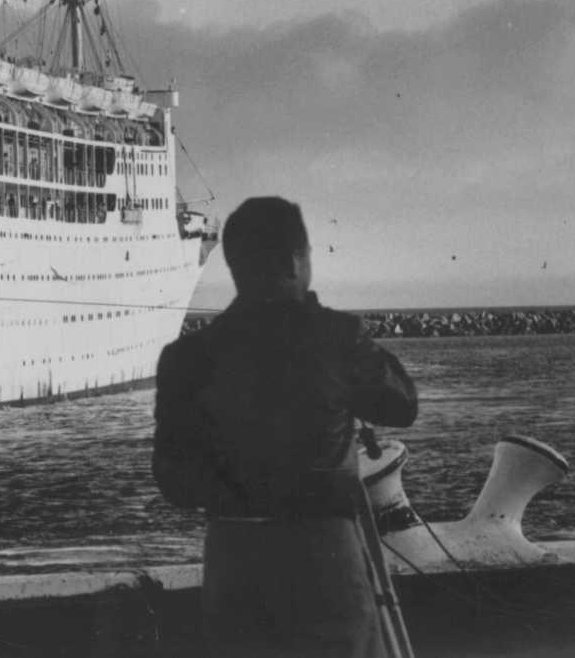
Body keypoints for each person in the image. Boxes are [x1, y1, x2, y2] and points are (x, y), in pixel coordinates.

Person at [152, 196, 418, 657]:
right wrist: (324, 322)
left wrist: (239, 490)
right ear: (295, 261)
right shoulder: (336, 337)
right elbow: (402, 405)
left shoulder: (185, 358)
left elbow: (173, 479)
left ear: (235, 265)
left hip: (234, 558)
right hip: (324, 554)